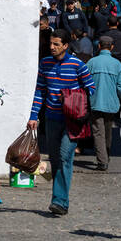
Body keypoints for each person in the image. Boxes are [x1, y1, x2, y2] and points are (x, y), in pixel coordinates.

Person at [27, 29, 95, 217]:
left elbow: (91, 88)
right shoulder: (45, 63)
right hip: (51, 118)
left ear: (65, 45)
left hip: (72, 120)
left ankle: (60, 201)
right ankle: (58, 198)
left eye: (56, 44)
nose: (52, 47)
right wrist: (33, 116)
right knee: (55, 159)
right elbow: (40, 90)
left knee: (65, 157)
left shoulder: (77, 65)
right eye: (51, 43)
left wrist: (77, 100)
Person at [87, 35, 121, 171]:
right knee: (108, 130)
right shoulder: (117, 64)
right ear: (111, 47)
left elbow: (83, 82)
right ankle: (106, 155)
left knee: (98, 132)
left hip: (94, 102)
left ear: (99, 46)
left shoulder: (91, 62)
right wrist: (117, 95)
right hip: (111, 103)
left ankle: (102, 160)